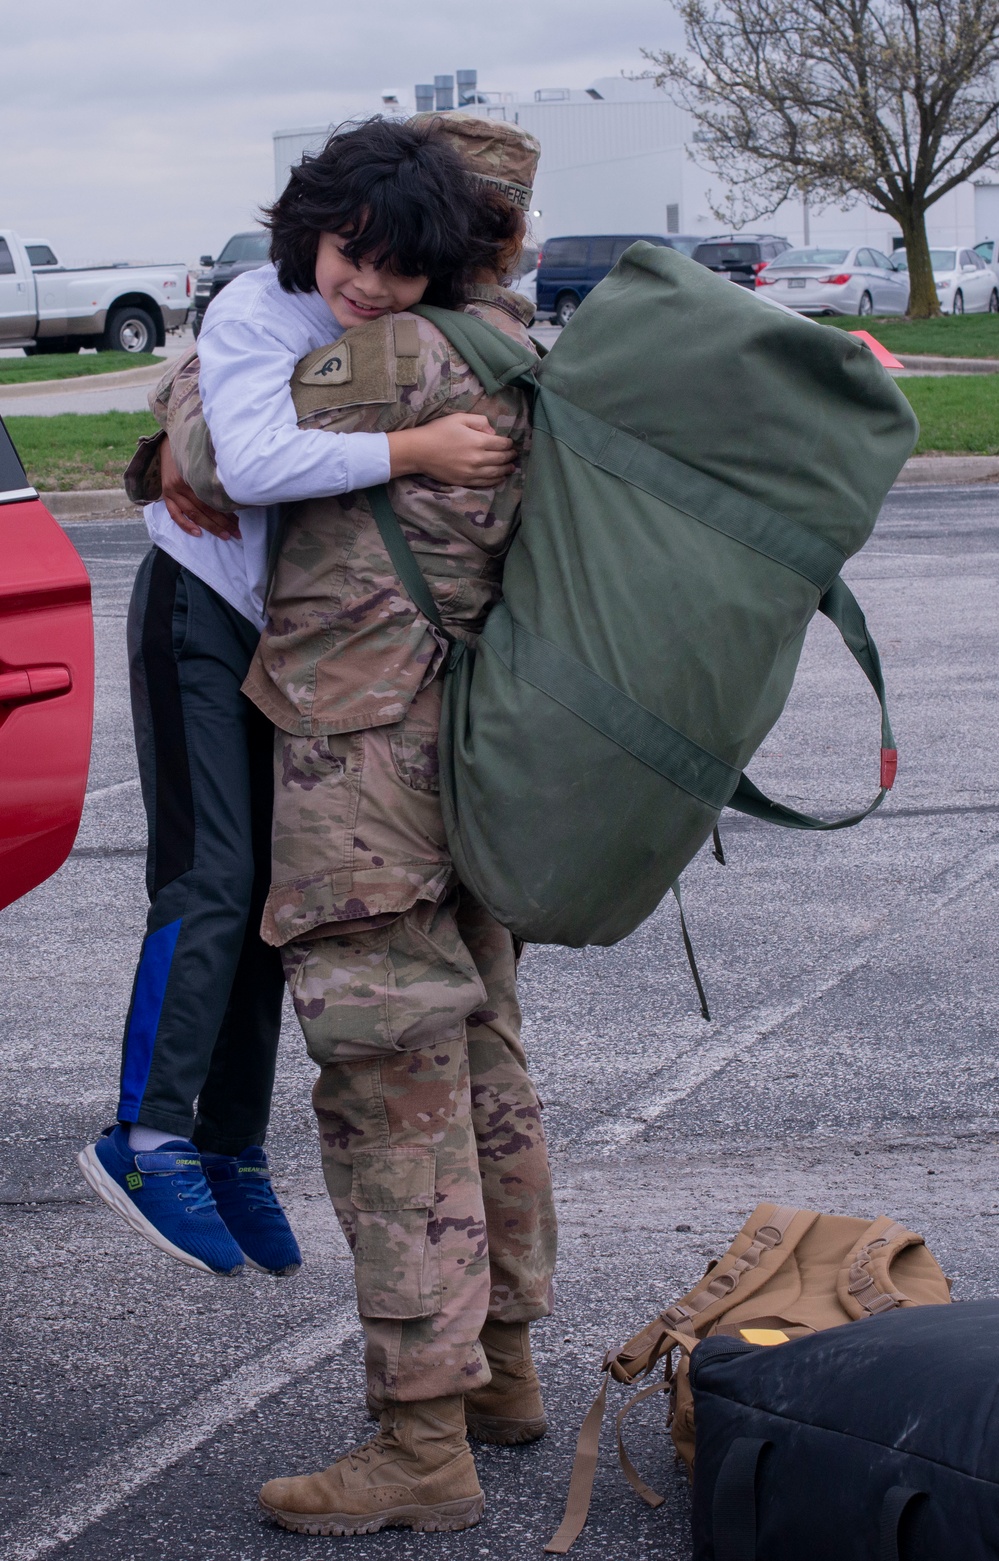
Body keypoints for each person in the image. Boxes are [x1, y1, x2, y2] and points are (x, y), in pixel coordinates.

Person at [139, 114, 557, 1538]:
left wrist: (200, 361)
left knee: (394, 1090)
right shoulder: (523, 360)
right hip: (472, 758)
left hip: (361, 768)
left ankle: (419, 1441)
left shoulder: (371, 361)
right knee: (487, 1056)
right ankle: (504, 1371)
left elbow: (193, 446)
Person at [77, 117, 515, 1280]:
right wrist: (416, 452)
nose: (367, 284)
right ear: (309, 232)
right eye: (348, 253)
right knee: (211, 877)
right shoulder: (255, 313)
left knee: (272, 897)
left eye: (399, 265)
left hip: (296, 643)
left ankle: (230, 1147)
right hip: (199, 612)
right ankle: (144, 1135)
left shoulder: (428, 330)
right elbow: (256, 463)